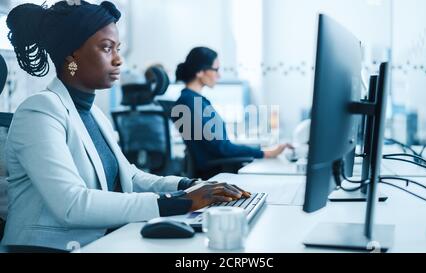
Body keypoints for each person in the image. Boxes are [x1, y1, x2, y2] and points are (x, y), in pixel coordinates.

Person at [1, 1, 249, 250]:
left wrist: (188, 185)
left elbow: (130, 176)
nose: (119, 60)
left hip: (101, 241)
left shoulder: (95, 114)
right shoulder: (40, 110)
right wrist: (179, 202)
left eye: (117, 49)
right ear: (71, 56)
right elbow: (72, 203)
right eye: (107, 48)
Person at [173, 47, 292, 178]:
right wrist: (264, 153)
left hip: (215, 169)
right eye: (216, 69)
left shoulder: (192, 101)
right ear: (200, 71)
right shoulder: (191, 103)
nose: (219, 75)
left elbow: (217, 145)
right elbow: (222, 148)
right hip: (216, 174)